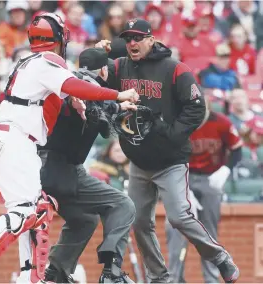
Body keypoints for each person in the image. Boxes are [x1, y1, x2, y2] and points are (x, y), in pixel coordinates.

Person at [0, 12, 139, 284]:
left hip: (14, 139)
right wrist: (117, 94)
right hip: (17, 139)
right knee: (27, 210)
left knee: (37, 210)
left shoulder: (29, 61)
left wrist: (80, 94)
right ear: (60, 38)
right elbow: (74, 84)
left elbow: (65, 91)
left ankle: (32, 276)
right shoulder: (48, 60)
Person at [95, 18, 240, 283]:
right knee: (138, 223)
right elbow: (93, 76)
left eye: (138, 38)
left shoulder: (174, 69)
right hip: (138, 161)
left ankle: (219, 256)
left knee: (179, 217)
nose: (132, 43)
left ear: (151, 39)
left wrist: (172, 133)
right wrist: (96, 54)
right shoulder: (119, 66)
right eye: (128, 39)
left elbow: (196, 106)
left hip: (170, 161)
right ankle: (159, 278)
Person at [39, 47, 137, 284]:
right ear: (104, 69)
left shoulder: (76, 84)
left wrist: (117, 108)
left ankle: (57, 273)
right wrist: (116, 104)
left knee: (85, 219)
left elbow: (97, 109)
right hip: (60, 169)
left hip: (47, 169)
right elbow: (95, 112)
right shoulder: (83, 85)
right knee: (123, 205)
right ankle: (111, 272)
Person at [165, 97, 243, 283]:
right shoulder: (178, 122)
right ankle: (175, 278)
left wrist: (225, 170)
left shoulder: (221, 122)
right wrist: (183, 189)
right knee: (175, 228)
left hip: (211, 178)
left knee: (209, 230)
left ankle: (212, 279)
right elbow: (167, 156)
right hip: (183, 176)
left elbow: (237, 149)